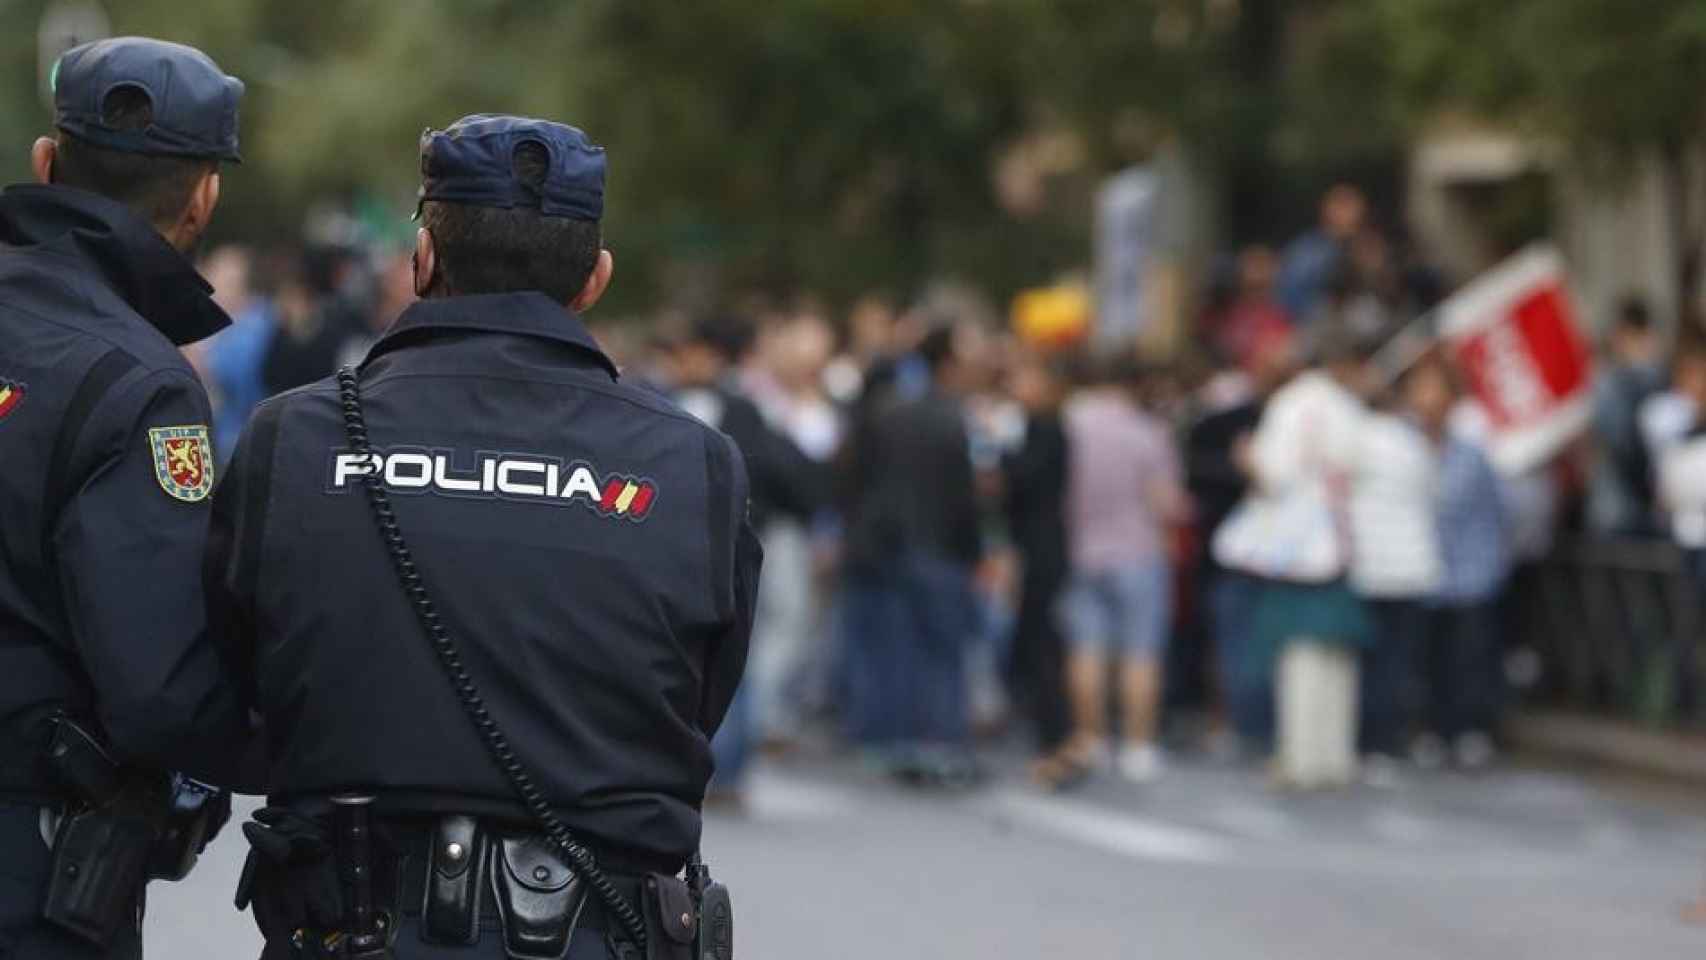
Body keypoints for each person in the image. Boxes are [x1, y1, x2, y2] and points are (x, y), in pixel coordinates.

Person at [208, 115, 761, 958]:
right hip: (596, 928)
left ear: (422, 260)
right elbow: (701, 696)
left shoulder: (296, 437)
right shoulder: (695, 464)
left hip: (352, 926)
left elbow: (234, 670)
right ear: (595, 279)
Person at [0, 37, 251, 959]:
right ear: (202, 197)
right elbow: (161, 694)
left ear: (43, 160)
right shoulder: (139, 384)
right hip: (27, 863)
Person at [839, 319, 987, 784]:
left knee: (898, 650)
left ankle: (897, 745)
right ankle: (944, 746)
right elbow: (965, 497)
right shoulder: (953, 417)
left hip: (889, 547)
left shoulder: (888, 411)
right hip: (941, 548)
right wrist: (976, 551)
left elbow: (858, 480)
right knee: (943, 653)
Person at [1049, 358, 1187, 784]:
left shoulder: (1069, 427)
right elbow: (1166, 502)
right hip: (1138, 551)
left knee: (1085, 650)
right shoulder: (1147, 433)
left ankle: (1092, 737)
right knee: (1140, 654)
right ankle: (1138, 745)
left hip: (1081, 549)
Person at [1407, 356, 1511, 771]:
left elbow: (1496, 511)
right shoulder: (1403, 445)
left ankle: (1470, 730)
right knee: (1430, 659)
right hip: (1422, 574)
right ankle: (1434, 728)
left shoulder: (1472, 454)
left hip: (1470, 575)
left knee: (1469, 657)